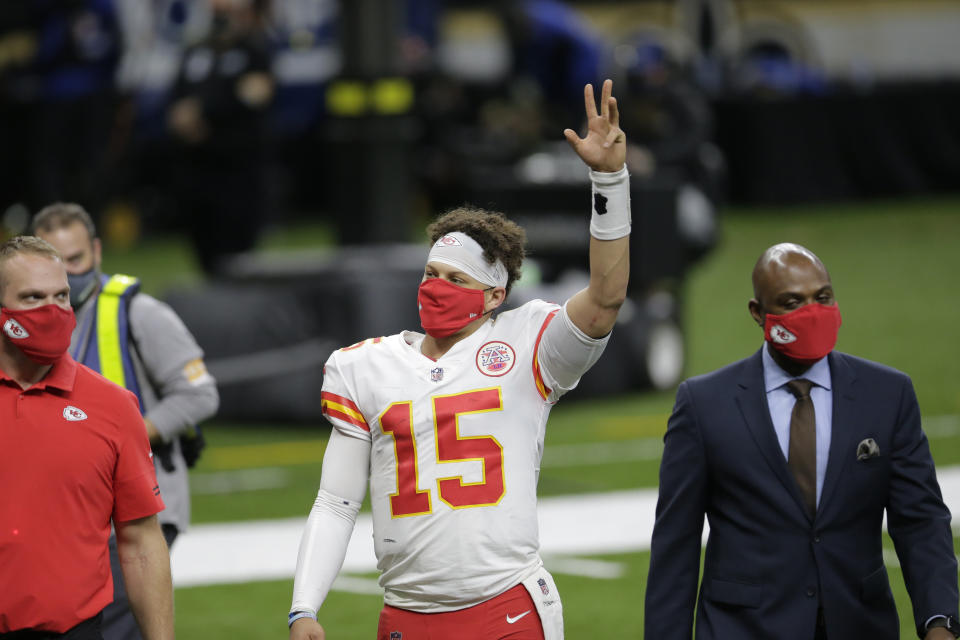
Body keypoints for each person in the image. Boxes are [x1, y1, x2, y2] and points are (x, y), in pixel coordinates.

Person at [288, 79, 630, 640]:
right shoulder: (364, 367)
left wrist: (609, 180)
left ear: (495, 295)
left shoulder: (528, 344)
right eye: (430, 274)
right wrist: (305, 607)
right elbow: (336, 501)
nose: (436, 287)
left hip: (506, 606)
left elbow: (606, 298)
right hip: (405, 614)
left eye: (456, 279)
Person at [645, 243, 959, 640]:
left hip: (859, 627)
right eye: (793, 302)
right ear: (758, 314)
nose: (812, 312)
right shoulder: (704, 404)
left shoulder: (888, 394)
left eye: (822, 297)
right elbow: (676, 544)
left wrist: (940, 622)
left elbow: (921, 521)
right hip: (743, 630)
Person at [32, 203, 220, 640]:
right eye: (55, 265)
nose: (68, 275)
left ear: (97, 251)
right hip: (78, 507)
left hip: (143, 502)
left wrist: (129, 434)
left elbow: (200, 392)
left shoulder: (140, 314)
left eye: (75, 260)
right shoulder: (33, 323)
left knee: (112, 621)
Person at [0, 235, 173, 639]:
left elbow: (142, 543)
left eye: (61, 296)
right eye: (32, 297)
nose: (53, 311)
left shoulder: (113, 407)